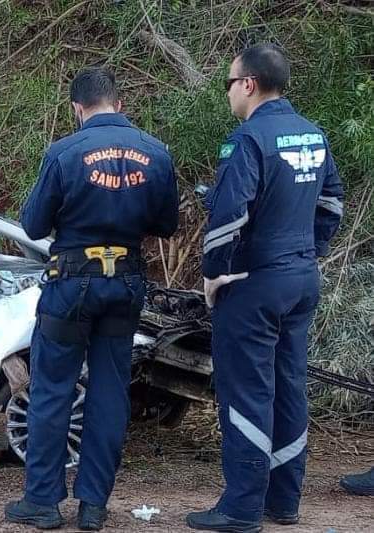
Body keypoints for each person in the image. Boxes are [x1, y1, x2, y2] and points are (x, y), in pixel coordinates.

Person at [5, 67, 179, 530]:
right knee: (108, 392)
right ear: (119, 104)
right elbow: (166, 225)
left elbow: (34, 225)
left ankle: (42, 502)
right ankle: (94, 506)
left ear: (77, 108)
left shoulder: (64, 152)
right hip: (124, 284)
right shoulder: (156, 153)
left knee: (53, 389)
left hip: (70, 285)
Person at [187, 44, 344, 532]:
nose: (229, 92)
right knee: (289, 388)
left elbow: (228, 215)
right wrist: (309, 252)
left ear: (249, 84)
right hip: (300, 279)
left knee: (247, 393)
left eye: (230, 83)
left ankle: (240, 508)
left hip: (254, 283)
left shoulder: (249, 139)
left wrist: (215, 272)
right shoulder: (314, 134)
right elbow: (333, 202)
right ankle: (283, 501)